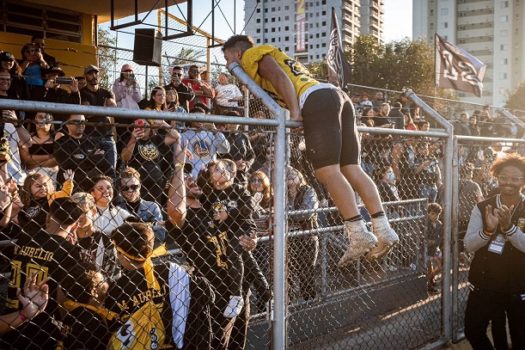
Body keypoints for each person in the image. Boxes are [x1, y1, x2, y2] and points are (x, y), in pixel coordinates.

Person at [222, 35, 398, 265]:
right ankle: (383, 228)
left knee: (327, 172)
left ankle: (358, 233)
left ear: (237, 53)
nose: (228, 65)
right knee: (351, 167)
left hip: (315, 100)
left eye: (227, 58)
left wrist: (295, 111)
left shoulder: (251, 55)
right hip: (334, 96)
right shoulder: (275, 55)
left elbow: (278, 76)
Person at [2, 198, 84, 349]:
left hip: (12, 313)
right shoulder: (70, 251)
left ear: (48, 216)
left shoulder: (27, 237)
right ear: (75, 226)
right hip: (44, 321)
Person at [463, 153, 525, 349]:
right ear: (496, 177)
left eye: (515, 178)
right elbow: (469, 245)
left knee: (520, 337)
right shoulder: (483, 207)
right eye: (504, 177)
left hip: (519, 285)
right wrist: (488, 231)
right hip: (486, 284)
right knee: (473, 331)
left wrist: (509, 229)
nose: (509, 182)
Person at [54, 114, 113, 191]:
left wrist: (82, 159)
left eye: (83, 121)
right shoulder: (61, 143)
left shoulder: (93, 142)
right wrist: (93, 157)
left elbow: (105, 166)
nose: (81, 124)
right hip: (71, 186)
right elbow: (68, 165)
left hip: (94, 187)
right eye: (76, 122)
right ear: (67, 124)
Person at [71, 192, 120, 282]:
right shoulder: (67, 238)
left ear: (93, 211)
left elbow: (112, 276)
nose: (79, 216)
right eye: (75, 212)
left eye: (83, 212)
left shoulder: (105, 241)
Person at [286, 167, 319, 302]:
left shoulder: (308, 191)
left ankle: (309, 300)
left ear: (300, 177)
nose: (290, 177)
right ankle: (290, 302)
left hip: (307, 236)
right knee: (289, 272)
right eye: (288, 175)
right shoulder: (282, 193)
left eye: (294, 175)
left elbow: (307, 212)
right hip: (288, 237)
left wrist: (288, 214)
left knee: (306, 271)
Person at [117, 166, 167, 246]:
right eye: (125, 188)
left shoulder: (152, 207)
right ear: (121, 189)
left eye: (134, 187)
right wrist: (149, 226)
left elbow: (160, 236)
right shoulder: (117, 209)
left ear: (140, 186)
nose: (130, 190)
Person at [18, 170, 74, 235]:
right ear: (29, 188)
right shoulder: (26, 201)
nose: (43, 188)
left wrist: (68, 182)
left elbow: (65, 193)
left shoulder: (51, 197)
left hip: (48, 231)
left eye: (45, 185)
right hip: (32, 233)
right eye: (38, 186)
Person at [20, 112, 58, 181]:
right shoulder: (27, 137)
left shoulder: (58, 136)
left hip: (52, 174)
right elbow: (26, 160)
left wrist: (34, 164)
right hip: (32, 175)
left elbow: (57, 159)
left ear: (51, 121)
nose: (43, 119)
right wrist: (49, 156)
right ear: (35, 121)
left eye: (46, 117)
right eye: (40, 117)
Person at [426, 203, 443, 294]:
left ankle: (430, 280)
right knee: (429, 267)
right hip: (426, 250)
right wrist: (428, 241)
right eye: (433, 213)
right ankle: (429, 285)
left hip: (435, 248)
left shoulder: (439, 224)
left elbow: (440, 237)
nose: (435, 216)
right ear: (428, 213)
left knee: (440, 267)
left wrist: (434, 242)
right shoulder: (425, 223)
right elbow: (422, 237)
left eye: (437, 214)